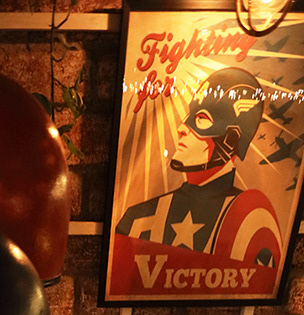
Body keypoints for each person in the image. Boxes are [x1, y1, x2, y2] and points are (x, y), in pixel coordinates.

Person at [115, 67, 281, 269]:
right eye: (189, 116)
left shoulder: (252, 224)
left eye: (201, 119)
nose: (182, 128)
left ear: (230, 140)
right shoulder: (137, 219)